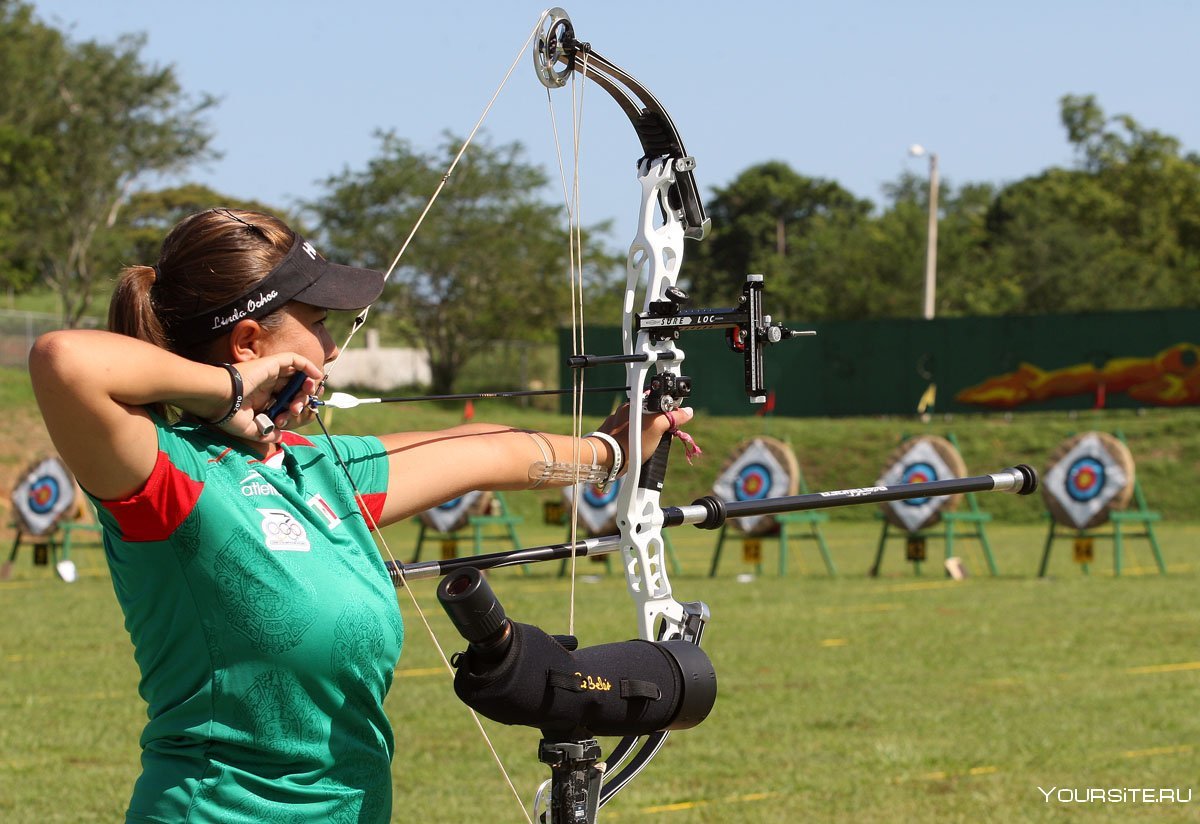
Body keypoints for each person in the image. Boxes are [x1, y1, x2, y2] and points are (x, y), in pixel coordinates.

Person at [28, 208, 688, 823]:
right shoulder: (168, 478)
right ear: (250, 340)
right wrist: (230, 389)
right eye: (318, 322)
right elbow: (63, 360)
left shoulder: (320, 470)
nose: (333, 348)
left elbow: (490, 451)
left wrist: (610, 452)